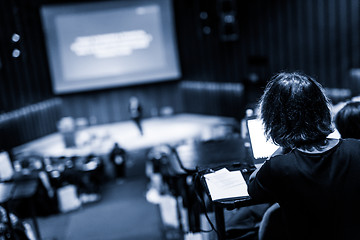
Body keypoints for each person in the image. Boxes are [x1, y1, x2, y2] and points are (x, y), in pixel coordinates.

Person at [247, 71, 360, 240]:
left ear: (274, 118)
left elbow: (253, 188)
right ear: (322, 108)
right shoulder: (356, 147)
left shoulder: (279, 166)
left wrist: (283, 147)